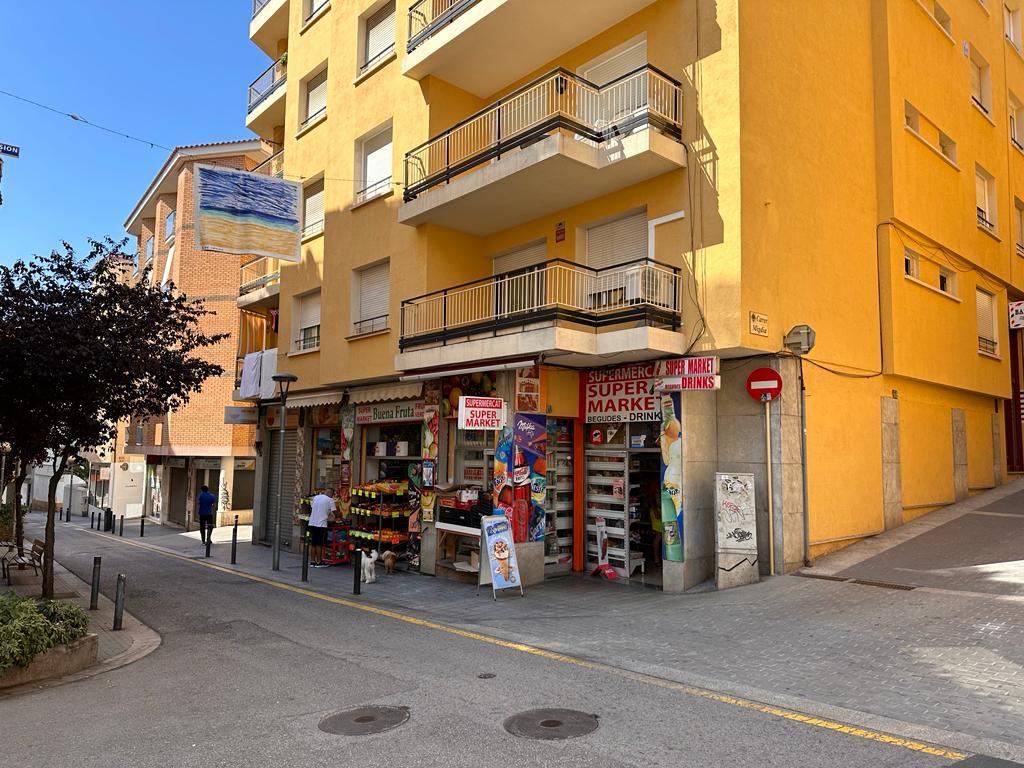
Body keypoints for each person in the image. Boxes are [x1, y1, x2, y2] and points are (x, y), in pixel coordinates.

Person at [308, 491, 337, 567]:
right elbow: (334, 512)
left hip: (312, 523)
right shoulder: (330, 500)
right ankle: (319, 561)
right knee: (319, 544)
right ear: (332, 494)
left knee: (313, 543)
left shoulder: (316, 497)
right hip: (321, 524)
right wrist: (334, 517)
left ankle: (312, 561)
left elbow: (313, 507)